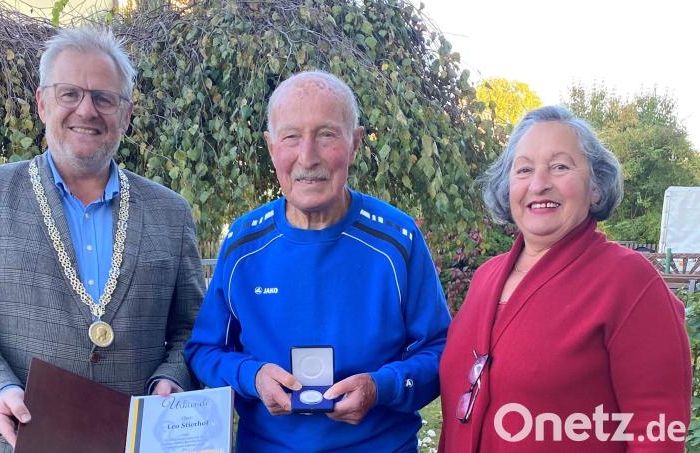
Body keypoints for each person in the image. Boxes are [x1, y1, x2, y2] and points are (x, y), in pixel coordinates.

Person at [0, 27, 204, 452]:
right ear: (42, 103)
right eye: (69, 93)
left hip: (135, 442)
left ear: (126, 115)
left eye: (104, 98)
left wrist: (173, 376)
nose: (86, 110)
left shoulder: (170, 213)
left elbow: (192, 326)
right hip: (20, 439)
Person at [184, 70, 451, 452]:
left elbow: (441, 351)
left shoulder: (397, 240)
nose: (307, 157)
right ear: (271, 147)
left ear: (355, 143)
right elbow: (204, 351)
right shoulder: (244, 243)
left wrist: (381, 387)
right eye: (291, 137)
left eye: (326, 135)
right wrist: (252, 376)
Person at [438, 106, 691, 452]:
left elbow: (657, 431)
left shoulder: (628, 281)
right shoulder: (486, 276)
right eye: (524, 169)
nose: (539, 184)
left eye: (560, 167)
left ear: (596, 187)